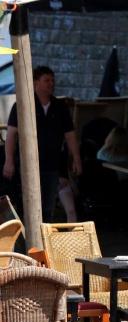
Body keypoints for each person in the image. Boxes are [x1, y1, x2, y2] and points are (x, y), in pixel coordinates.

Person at [2, 66, 82, 222]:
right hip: (28, 165)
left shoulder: (60, 107)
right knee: (28, 206)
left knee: (47, 208)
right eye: (47, 80)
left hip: (53, 165)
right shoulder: (23, 105)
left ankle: (43, 243)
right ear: (36, 83)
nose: (51, 84)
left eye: (52, 80)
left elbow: (70, 135)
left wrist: (76, 158)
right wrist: (9, 161)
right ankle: (27, 243)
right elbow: (11, 135)